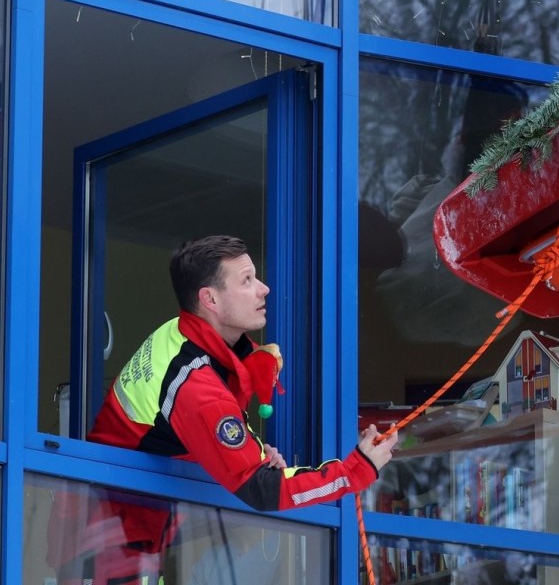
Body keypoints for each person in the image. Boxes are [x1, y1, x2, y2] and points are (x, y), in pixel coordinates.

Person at [50, 236, 397, 582]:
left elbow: (183, 437)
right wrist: (358, 469)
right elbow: (263, 490)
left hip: (119, 535)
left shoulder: (181, 337)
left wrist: (253, 452)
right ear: (210, 299)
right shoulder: (196, 386)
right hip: (106, 546)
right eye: (247, 280)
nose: (264, 289)